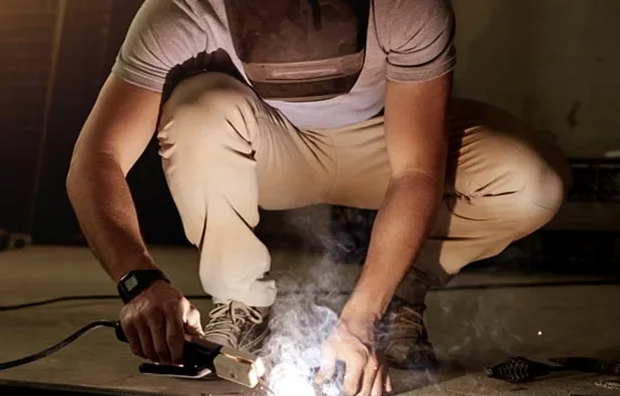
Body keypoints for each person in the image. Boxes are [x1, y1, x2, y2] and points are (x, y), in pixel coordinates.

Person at [65, 0, 571, 395]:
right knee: (197, 110)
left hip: (386, 138)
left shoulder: (408, 7)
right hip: (266, 142)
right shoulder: (182, 10)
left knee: (532, 181)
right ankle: (238, 302)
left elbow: (416, 170)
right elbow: (96, 160)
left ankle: (399, 300)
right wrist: (140, 281)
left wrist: (361, 317)